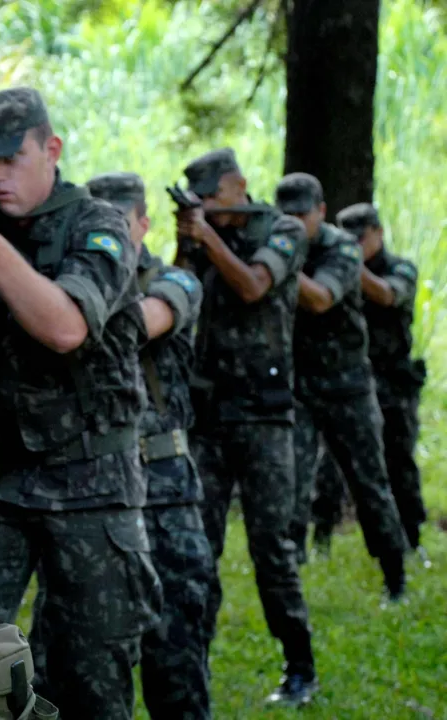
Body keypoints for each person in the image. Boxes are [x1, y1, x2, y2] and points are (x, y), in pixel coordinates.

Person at [0, 87, 160, 719]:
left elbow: (65, 328)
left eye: (9, 160)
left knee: (92, 670)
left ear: (50, 149)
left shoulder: (99, 224)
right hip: (2, 481)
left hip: (95, 485)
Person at [175, 148, 318, 706]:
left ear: (236, 188)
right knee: (197, 549)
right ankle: (193, 663)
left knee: (271, 549)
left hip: (265, 418)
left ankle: (299, 665)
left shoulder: (280, 229)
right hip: (210, 419)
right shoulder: (208, 238)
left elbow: (256, 285)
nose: (206, 209)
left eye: (210, 198)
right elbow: (181, 296)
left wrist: (206, 238)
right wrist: (189, 244)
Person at [90, 172, 213, 719]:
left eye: (125, 223)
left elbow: (133, 326)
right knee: (82, 658)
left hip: (164, 489)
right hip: (93, 490)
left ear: (145, 223)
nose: (116, 235)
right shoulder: (74, 285)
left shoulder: (175, 282)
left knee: (177, 654)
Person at [275, 173, 409, 600]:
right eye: (287, 215)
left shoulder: (342, 249)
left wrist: (275, 263)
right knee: (290, 482)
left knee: (369, 485)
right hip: (299, 386)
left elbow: (319, 298)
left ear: (321, 212)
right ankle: (291, 575)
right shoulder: (277, 244)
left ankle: (395, 578)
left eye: (303, 214)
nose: (296, 223)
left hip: (347, 385)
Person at [314, 202, 428, 564]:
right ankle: (321, 539)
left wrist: (348, 265)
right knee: (330, 466)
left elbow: (387, 294)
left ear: (378, 233)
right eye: (349, 241)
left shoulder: (399, 268)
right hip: (346, 378)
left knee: (398, 463)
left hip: (391, 381)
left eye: (360, 240)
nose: (356, 246)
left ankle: (410, 539)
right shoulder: (331, 267)